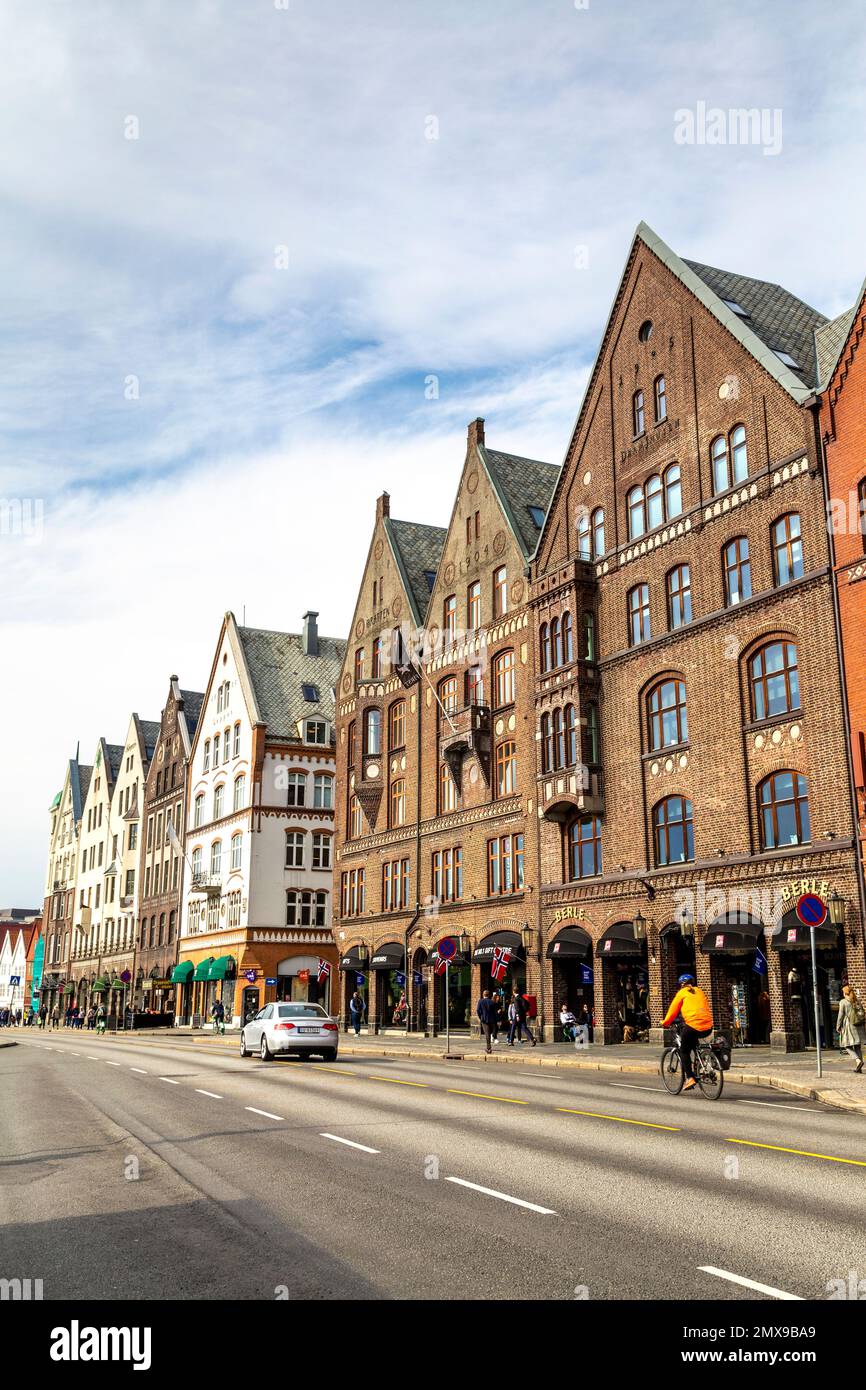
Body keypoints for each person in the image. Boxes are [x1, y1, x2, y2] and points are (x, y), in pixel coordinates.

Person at [661, 973, 713, 1092]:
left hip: (693, 1026)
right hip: (708, 1027)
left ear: (682, 984)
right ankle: (702, 1064)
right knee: (693, 1043)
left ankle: (690, 1078)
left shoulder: (681, 993)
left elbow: (673, 1011)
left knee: (684, 1051)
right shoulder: (700, 991)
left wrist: (665, 1022)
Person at [837, 985, 864, 1073]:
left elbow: (840, 1016)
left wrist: (838, 1026)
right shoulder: (857, 1001)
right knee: (857, 1046)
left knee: (846, 1045)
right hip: (858, 1026)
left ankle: (858, 1060)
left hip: (849, 1026)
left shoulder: (843, 1002)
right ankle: (859, 1068)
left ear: (845, 993)